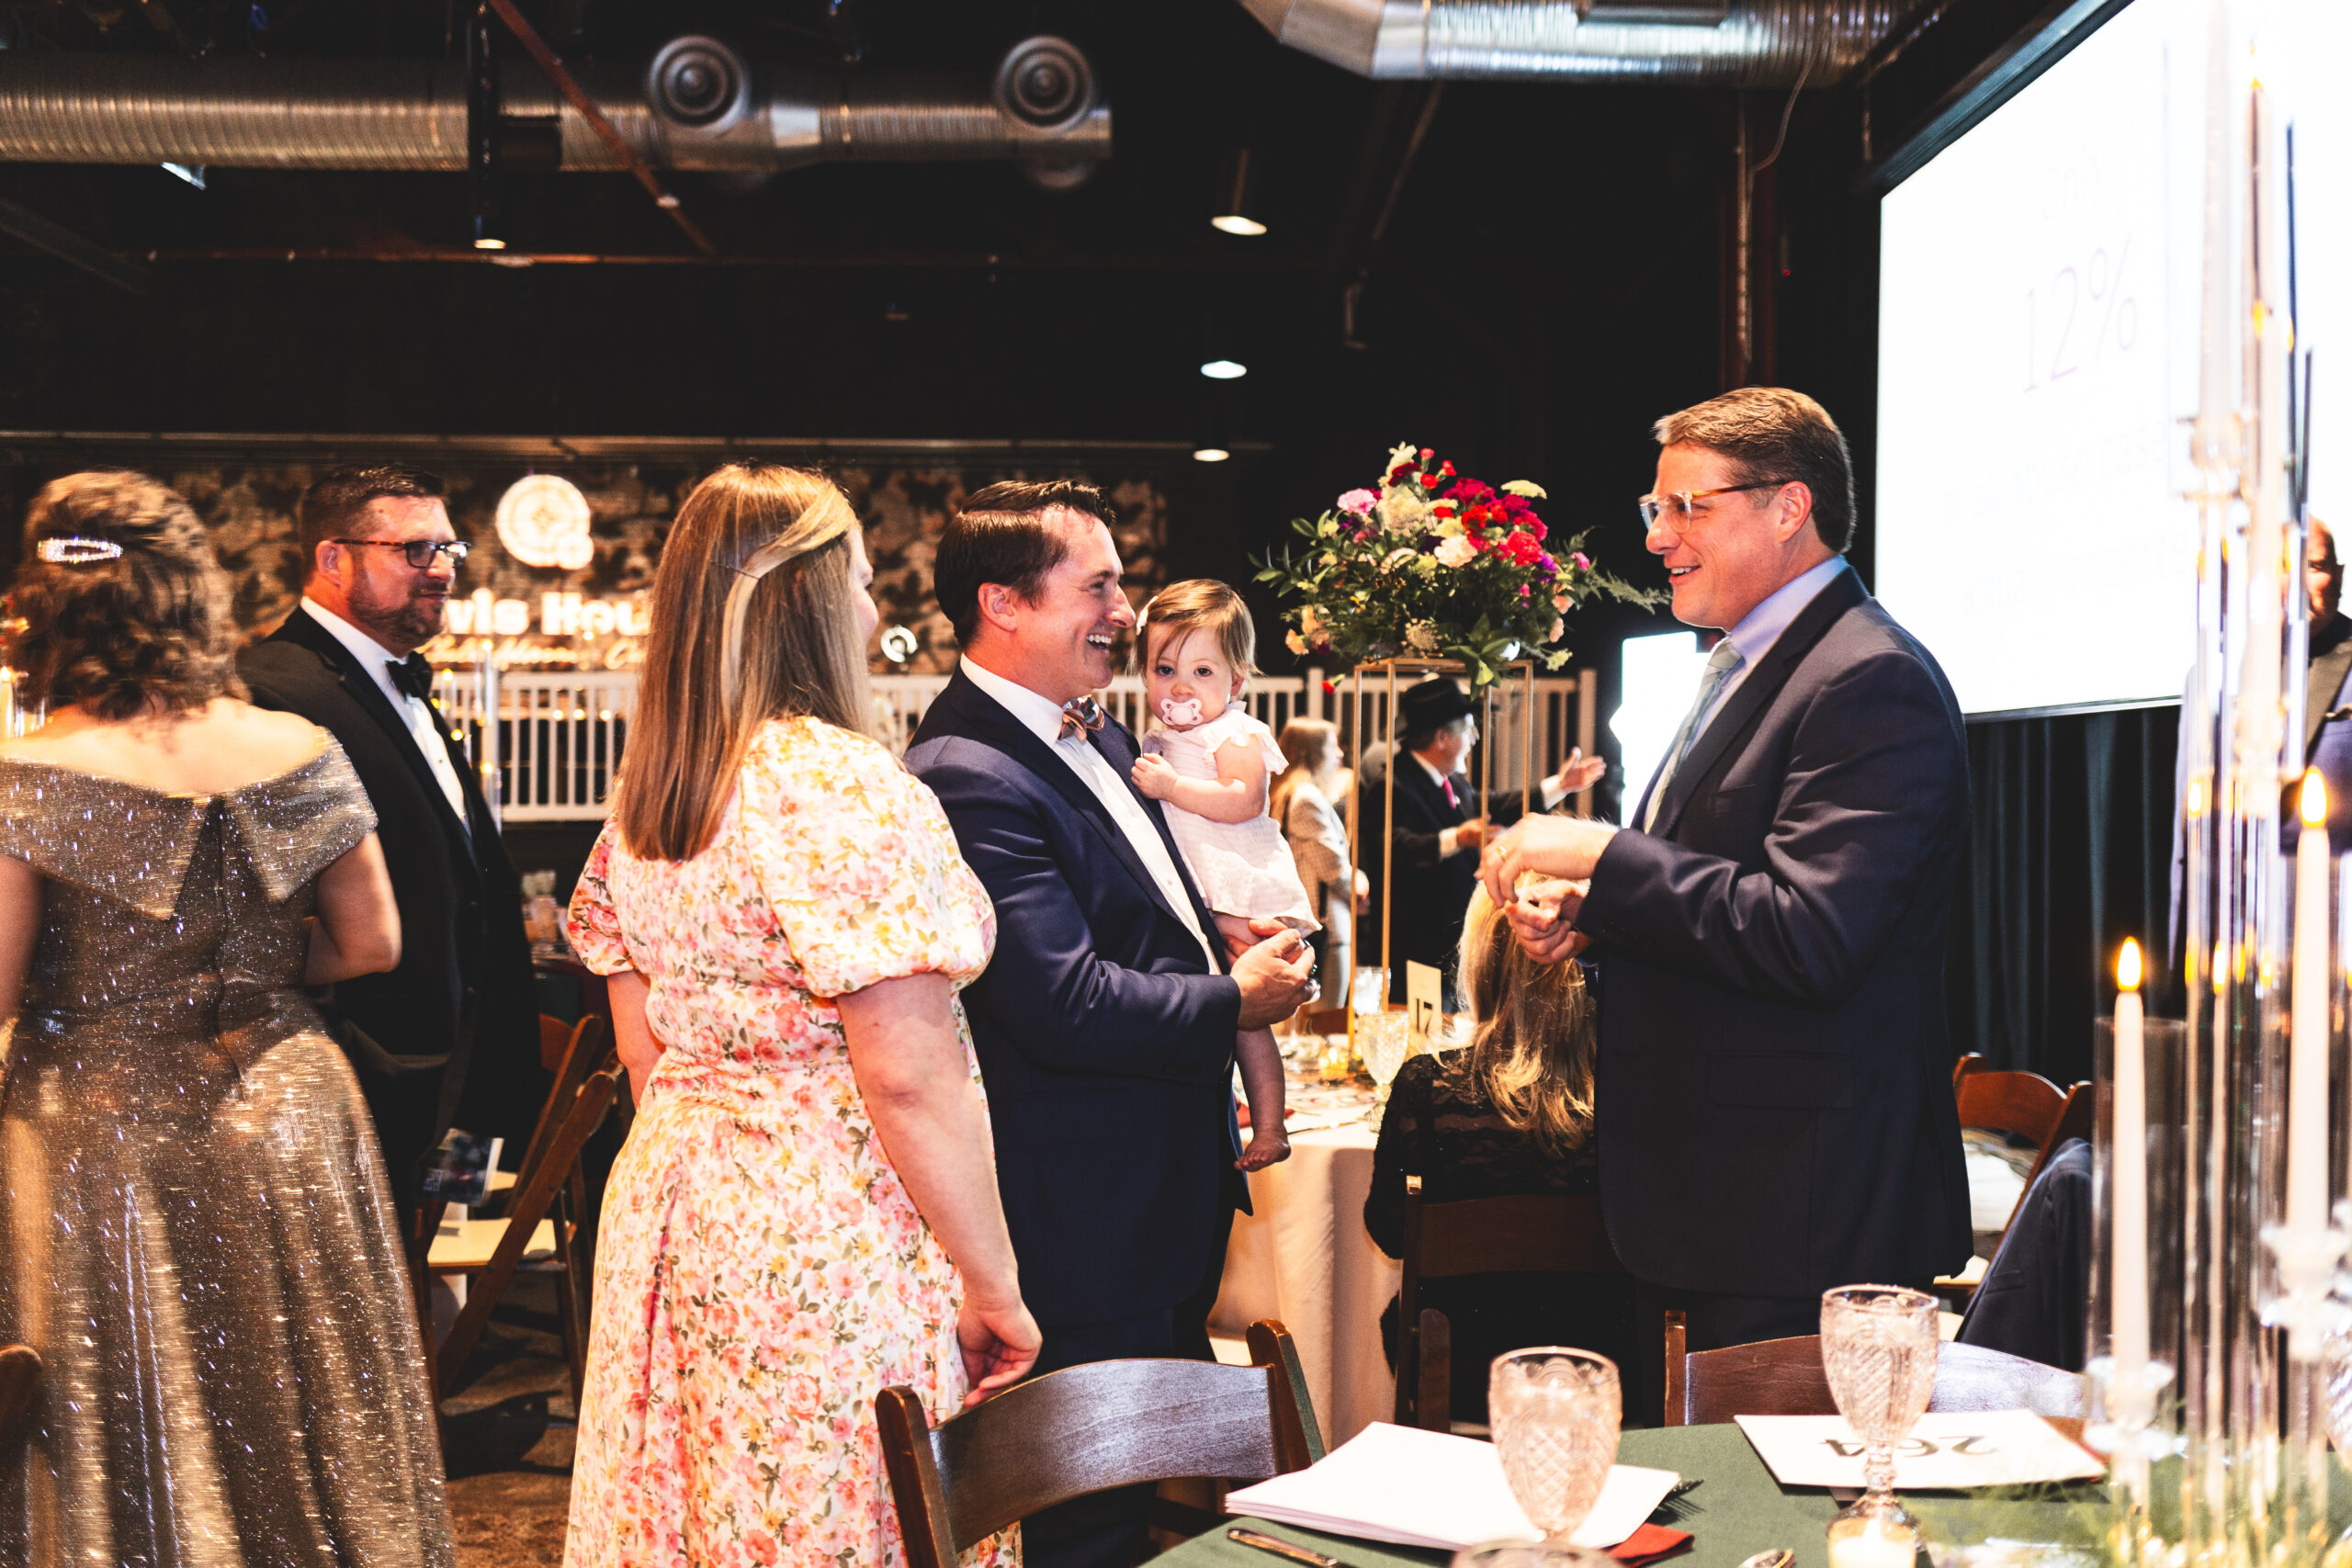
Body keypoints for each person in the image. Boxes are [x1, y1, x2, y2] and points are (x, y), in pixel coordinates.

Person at [561, 463, 1038, 1568]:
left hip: (678, 1209)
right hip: (826, 1229)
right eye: (861, 582)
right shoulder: (836, 786)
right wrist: (995, 1285)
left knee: (693, 1508)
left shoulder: (656, 793)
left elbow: (645, 1050)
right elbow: (908, 1076)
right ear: (808, 602)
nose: (873, 611)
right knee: (838, 1512)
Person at [1478, 387, 1971, 1417]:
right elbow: (1719, 885)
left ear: (1789, 507)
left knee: (1783, 1497)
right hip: (1725, 1200)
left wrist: (1606, 855)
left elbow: (1810, 934)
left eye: (1686, 507)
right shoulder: (1756, 663)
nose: (1657, 536)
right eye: (1653, 508)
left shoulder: (1868, 677)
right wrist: (1594, 917)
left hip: (1802, 1215)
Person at [0, 472, 451, 1567]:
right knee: (308, 1403)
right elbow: (371, 944)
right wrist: (251, 965)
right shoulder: (294, 744)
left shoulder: (24, 774)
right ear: (194, 592)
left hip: (98, 1127)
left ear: (47, 603)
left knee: (133, 1406)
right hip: (290, 1107)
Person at [905, 480, 1316, 1568]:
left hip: (1156, 1198)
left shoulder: (1102, 733)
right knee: (1085, 1526)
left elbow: (1151, 914)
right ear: (1002, 602)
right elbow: (1063, 1004)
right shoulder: (965, 773)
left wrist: (1230, 934)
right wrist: (1235, 1000)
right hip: (1084, 1219)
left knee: (1139, 1504)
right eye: (1097, 587)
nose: (1125, 613)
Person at [238, 465, 540, 1227]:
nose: (441, 569)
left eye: (449, 549)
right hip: (370, 1079)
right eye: (414, 549)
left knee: (444, 1258)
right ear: (333, 558)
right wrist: (348, 1054)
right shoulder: (271, 691)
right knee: (374, 1277)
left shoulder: (401, 683)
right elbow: (256, 905)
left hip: (463, 1077)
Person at [1362, 886, 1635, 1424]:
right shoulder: (1637, 1095)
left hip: (1465, 1375)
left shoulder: (1427, 1090)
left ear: (1481, 964)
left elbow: (1391, 1232)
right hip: (1609, 1377)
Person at [1129, 580, 1315, 1173]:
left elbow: (1244, 798)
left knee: (1245, 1004)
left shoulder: (1234, 732)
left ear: (1235, 682)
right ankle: (1242, 1107)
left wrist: (1171, 786)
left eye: (1202, 672)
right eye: (1164, 669)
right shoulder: (1160, 738)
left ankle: (1270, 1123)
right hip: (1200, 889)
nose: (1180, 687)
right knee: (1227, 1007)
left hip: (1239, 883)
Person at [1358, 678, 1600, 1006]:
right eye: (1468, 729)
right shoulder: (1392, 784)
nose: (1474, 738)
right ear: (1442, 738)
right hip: (1413, 948)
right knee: (1417, 1027)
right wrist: (1458, 837)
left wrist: (1561, 785)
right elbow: (1392, 847)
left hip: (1451, 945)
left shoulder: (1452, 781)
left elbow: (1497, 804)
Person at [1271, 717, 1360, 1010]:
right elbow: (1333, 868)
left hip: (1308, 923)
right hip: (1325, 923)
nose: (1340, 754)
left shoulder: (1285, 794)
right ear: (1312, 752)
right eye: (1332, 746)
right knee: (1324, 1016)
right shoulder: (1307, 798)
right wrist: (1358, 889)